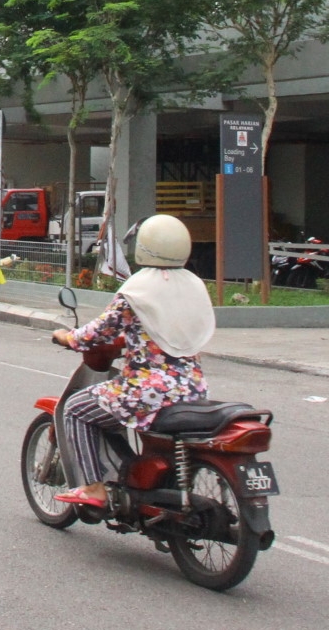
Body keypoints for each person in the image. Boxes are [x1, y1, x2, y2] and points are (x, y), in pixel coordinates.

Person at [48, 213, 216, 505]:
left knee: (75, 409)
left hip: (147, 392)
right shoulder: (194, 285)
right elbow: (170, 327)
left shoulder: (139, 289)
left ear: (144, 246)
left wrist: (68, 336)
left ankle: (92, 488)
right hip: (194, 390)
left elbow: (98, 332)